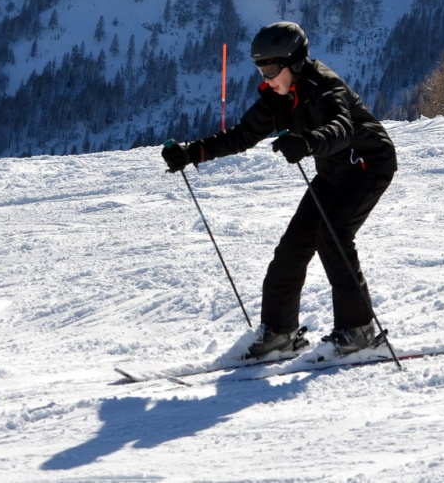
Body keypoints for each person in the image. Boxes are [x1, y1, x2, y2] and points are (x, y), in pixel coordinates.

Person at [162, 21, 397, 358]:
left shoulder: (325, 86)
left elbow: (342, 129)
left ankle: (358, 329)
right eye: (261, 69)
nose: (266, 78)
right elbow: (241, 135)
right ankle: (279, 333)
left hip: (367, 164)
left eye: (271, 68)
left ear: (295, 62)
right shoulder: (277, 97)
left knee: (334, 236)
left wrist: (308, 142)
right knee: (292, 247)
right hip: (333, 171)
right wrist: (190, 153)